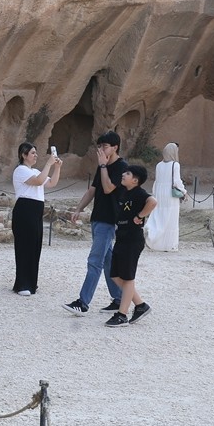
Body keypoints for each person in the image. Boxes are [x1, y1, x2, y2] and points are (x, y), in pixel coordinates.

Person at [64, 132, 127, 315]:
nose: (101, 150)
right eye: (99, 147)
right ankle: (119, 299)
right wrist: (78, 209)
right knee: (108, 261)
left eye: (104, 146)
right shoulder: (103, 167)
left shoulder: (121, 167)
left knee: (95, 261)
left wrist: (102, 166)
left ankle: (83, 303)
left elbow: (108, 189)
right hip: (98, 218)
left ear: (115, 147)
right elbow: (92, 190)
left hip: (109, 220)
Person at [99, 164, 156, 327]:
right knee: (115, 275)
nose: (124, 174)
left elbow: (153, 202)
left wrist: (140, 215)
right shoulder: (124, 192)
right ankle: (140, 305)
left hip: (132, 239)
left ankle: (122, 315)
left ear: (135, 180)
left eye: (128, 173)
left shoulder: (139, 193)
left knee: (128, 277)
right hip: (121, 237)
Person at [11, 143, 62, 296]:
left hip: (36, 211)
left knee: (35, 246)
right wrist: (49, 163)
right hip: (25, 210)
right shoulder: (21, 170)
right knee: (24, 246)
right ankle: (22, 284)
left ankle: (31, 282)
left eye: (36, 152)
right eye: (32, 153)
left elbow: (51, 183)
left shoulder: (35, 171)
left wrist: (57, 167)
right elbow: (39, 181)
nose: (35, 155)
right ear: (23, 155)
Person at [146, 142, 186, 252]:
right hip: (170, 195)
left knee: (159, 215)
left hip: (159, 193)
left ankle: (155, 241)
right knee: (170, 218)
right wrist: (184, 191)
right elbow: (177, 181)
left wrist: (155, 193)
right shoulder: (175, 165)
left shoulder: (159, 165)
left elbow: (157, 181)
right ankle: (169, 244)